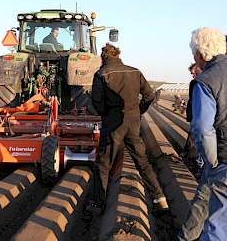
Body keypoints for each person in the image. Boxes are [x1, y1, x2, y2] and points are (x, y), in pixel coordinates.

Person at [90, 43, 168, 213]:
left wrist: (106, 114)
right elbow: (149, 95)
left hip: (112, 122)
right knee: (142, 161)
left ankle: (98, 203)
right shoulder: (135, 71)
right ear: (118, 55)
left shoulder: (101, 74)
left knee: (104, 164)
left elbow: (96, 101)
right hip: (133, 122)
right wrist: (138, 111)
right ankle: (160, 198)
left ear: (103, 58)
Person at [177, 27, 227, 240]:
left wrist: (211, 161)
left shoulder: (206, 80)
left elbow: (202, 128)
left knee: (217, 222)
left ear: (199, 54)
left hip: (224, 158)